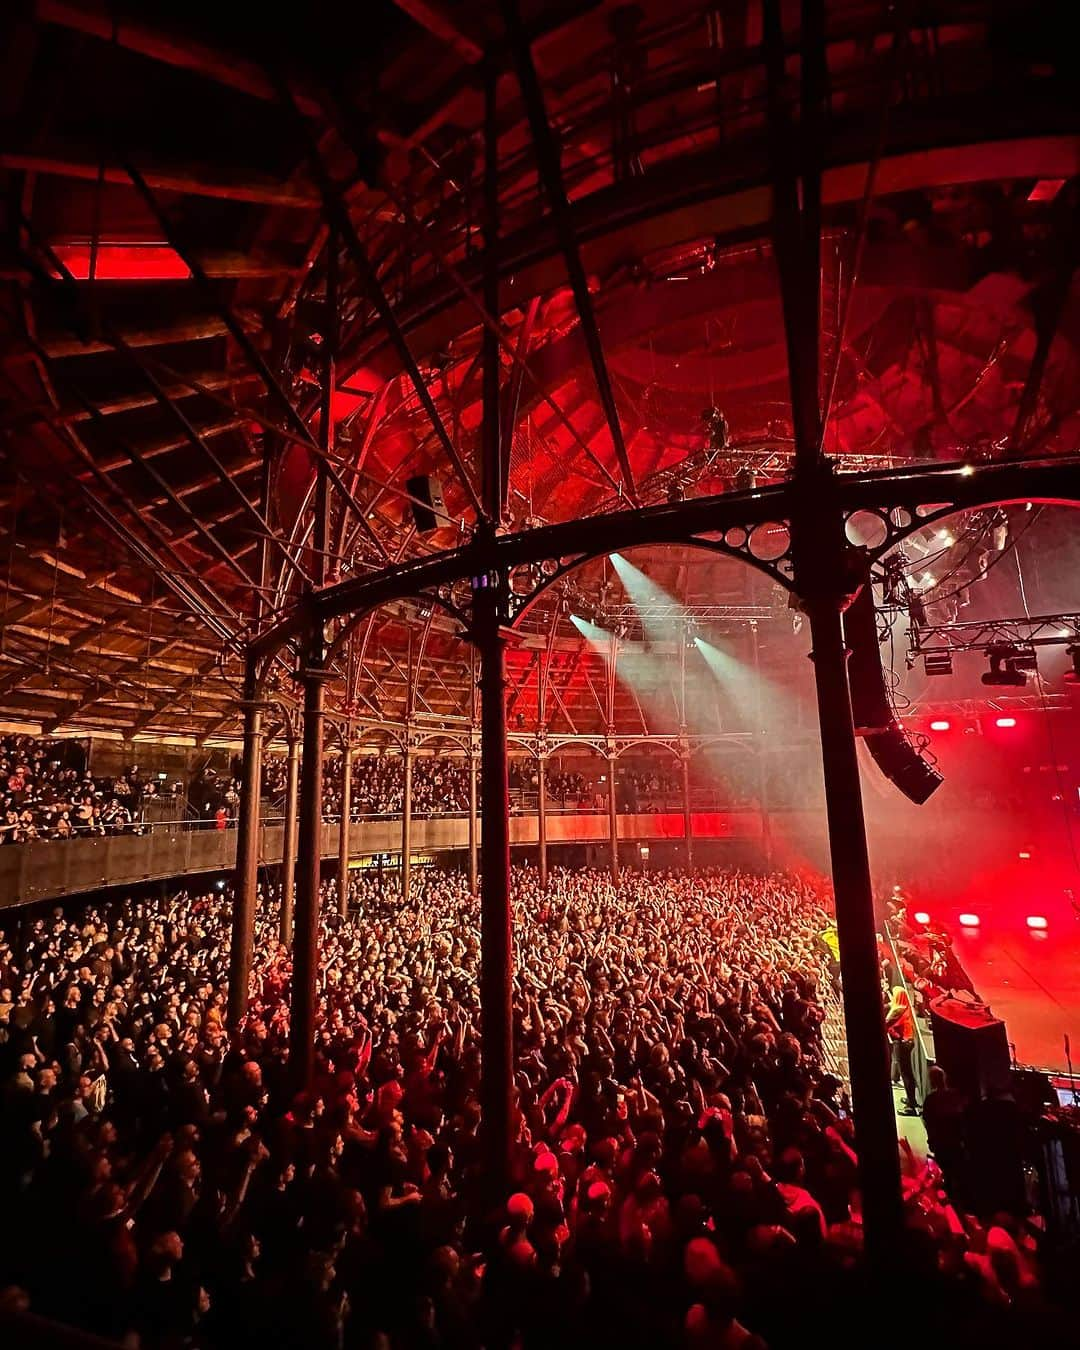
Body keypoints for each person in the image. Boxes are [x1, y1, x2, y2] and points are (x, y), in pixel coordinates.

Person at [885, 986, 919, 1115]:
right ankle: (912, 1100)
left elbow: (886, 1022)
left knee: (906, 1074)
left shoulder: (898, 1009)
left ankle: (911, 1106)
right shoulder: (904, 1006)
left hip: (902, 1043)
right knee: (908, 1073)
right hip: (908, 1042)